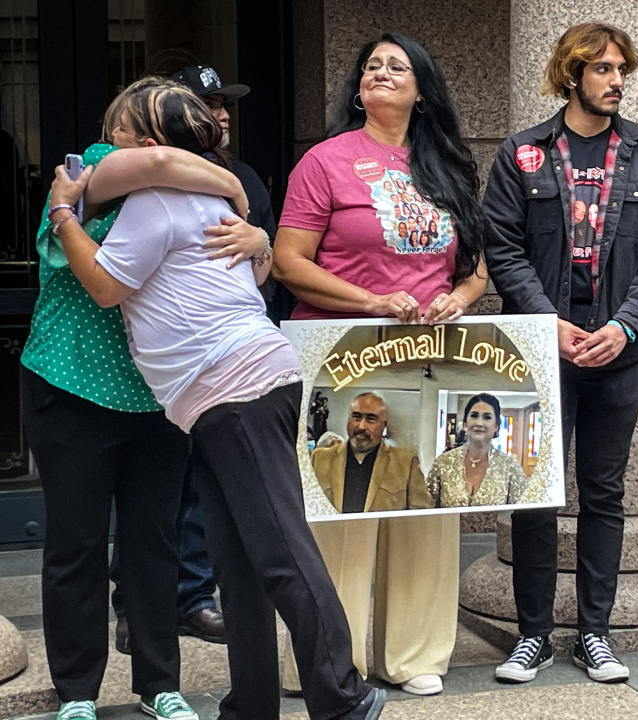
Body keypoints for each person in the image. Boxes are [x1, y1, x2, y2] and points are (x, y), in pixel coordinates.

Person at [47, 78, 384, 720]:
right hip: (230, 391)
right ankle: (249, 705)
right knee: (240, 563)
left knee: (282, 553)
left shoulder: (157, 201)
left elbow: (104, 286)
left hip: (235, 388)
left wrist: (65, 214)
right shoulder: (210, 197)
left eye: (118, 132)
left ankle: (342, 697)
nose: (105, 145)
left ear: (147, 143)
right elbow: (252, 270)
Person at [19, 75, 263, 720]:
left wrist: (257, 235)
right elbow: (157, 160)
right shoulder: (93, 167)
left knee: (152, 542)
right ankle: (76, 693)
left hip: (158, 393)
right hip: (72, 383)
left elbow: (246, 269)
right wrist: (233, 183)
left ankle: (160, 683)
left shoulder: (188, 191)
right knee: (74, 545)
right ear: (120, 132)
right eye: (136, 128)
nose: (147, 142)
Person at [272, 32, 487, 697]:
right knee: (341, 506)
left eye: (398, 66)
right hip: (344, 352)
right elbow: (288, 261)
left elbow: (473, 270)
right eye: (372, 66)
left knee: (425, 500)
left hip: (431, 356)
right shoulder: (325, 161)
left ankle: (414, 653)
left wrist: (457, 297)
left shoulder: (447, 164)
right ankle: (329, 659)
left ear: (422, 90)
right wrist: (370, 300)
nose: (382, 73)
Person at [483, 23, 638, 684]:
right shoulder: (522, 153)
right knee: (533, 492)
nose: (616, 80)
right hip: (540, 353)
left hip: (620, 353)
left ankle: (594, 633)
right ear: (571, 74)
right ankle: (534, 635)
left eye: (621, 69)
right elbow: (503, 247)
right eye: (601, 68)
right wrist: (549, 323)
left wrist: (625, 327)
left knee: (604, 491)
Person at [111, 62, 274, 655]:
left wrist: (262, 243)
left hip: (227, 358)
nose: (222, 113)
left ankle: (194, 597)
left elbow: (261, 263)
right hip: (160, 364)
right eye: (208, 104)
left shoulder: (246, 175)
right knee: (153, 495)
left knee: (206, 492)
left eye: (225, 103)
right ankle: (136, 604)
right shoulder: (126, 170)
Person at [312, 392, 432, 512]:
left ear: (384, 425)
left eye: (370, 419)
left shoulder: (406, 464)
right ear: (348, 420)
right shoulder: (319, 459)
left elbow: (421, 518)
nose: (361, 426)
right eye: (356, 417)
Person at [426, 393, 527, 507]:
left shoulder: (510, 468)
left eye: (487, 417)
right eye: (474, 416)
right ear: (465, 423)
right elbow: (426, 511)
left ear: (496, 426)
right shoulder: (443, 463)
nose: (479, 423)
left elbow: (521, 517)